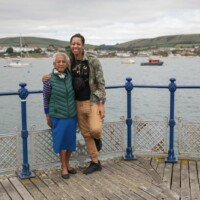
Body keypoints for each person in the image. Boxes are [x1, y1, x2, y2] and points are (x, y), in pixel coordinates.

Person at [43, 33, 106, 175]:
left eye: (78, 44)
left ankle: (98, 139)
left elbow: (101, 82)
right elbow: (59, 68)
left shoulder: (92, 60)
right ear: (70, 45)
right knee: (85, 133)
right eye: (73, 44)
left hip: (92, 101)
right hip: (77, 104)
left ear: (83, 45)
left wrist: (102, 103)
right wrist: (47, 76)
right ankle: (95, 162)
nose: (75, 46)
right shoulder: (69, 60)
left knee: (95, 130)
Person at [43, 52, 77, 179]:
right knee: (62, 143)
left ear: (67, 64)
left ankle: (67, 164)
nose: (61, 63)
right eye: (58, 62)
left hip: (71, 115)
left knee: (70, 142)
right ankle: (63, 166)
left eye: (63, 61)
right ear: (54, 64)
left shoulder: (70, 76)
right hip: (57, 115)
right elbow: (45, 99)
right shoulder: (48, 80)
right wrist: (47, 115)